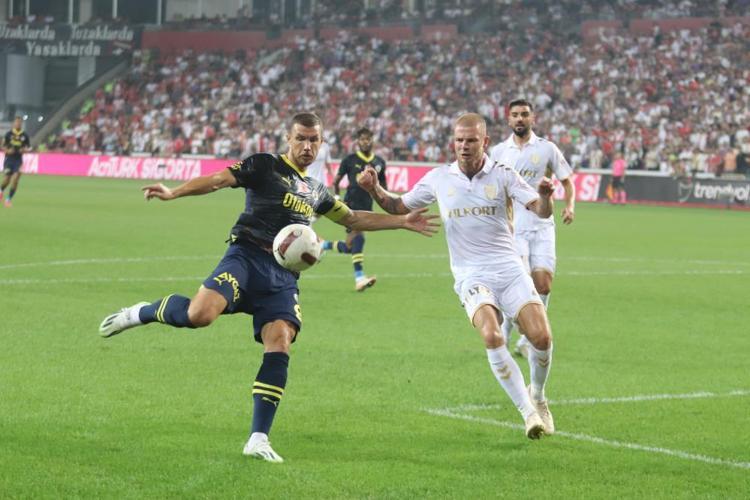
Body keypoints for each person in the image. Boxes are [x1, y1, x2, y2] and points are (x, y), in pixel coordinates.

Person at [97, 113, 438, 463]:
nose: (307, 146)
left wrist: (402, 221)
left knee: (280, 341)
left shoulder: (317, 190)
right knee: (199, 315)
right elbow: (217, 180)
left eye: (314, 140)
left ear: (321, 144)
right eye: (301, 138)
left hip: (282, 276)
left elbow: (351, 218)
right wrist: (174, 192)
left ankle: (258, 438)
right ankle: (141, 312)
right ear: (288, 138)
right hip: (245, 257)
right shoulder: (264, 165)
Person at [358, 113, 556, 439]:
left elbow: (541, 210)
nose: (464, 146)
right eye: (459, 140)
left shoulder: (503, 174)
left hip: (509, 269)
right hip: (470, 274)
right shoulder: (439, 178)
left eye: (471, 140)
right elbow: (397, 206)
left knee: (542, 338)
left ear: (485, 142)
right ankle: (528, 413)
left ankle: (538, 395)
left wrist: (546, 196)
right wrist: (374, 188)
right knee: (492, 336)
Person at [489, 99, 575, 358]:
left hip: (542, 226)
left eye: (524, 114)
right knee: (518, 286)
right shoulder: (498, 152)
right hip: (513, 229)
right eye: (515, 114)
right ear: (508, 119)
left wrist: (570, 206)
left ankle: (528, 339)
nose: (520, 119)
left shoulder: (547, 148)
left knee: (543, 285)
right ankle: (507, 332)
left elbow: (567, 180)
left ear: (532, 118)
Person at [323, 127, 387, 292]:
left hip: (367, 206)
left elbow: (384, 187)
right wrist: (337, 198)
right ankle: (359, 278)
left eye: (368, 139)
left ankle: (322, 245)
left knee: (350, 246)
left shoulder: (380, 162)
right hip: (350, 204)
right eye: (362, 139)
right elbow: (336, 181)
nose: (365, 142)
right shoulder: (349, 160)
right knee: (359, 238)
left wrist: (384, 201)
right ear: (358, 141)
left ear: (372, 140)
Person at [2, 116, 31, 207]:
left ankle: (8, 200)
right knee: (7, 179)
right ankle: (1, 190)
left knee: (15, 179)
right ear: (14, 123)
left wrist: (24, 150)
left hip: (18, 160)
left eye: (19, 122)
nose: (18, 124)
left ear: (21, 124)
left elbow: (28, 148)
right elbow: (3, 146)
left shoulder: (25, 135)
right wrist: (7, 151)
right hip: (9, 159)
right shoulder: (8, 134)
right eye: (17, 122)